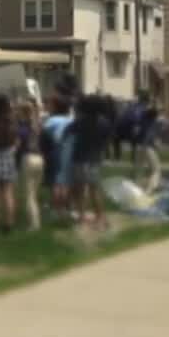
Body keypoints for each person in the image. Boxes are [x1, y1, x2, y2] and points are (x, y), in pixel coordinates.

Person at [71, 94, 111, 231]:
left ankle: (81, 217)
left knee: (81, 189)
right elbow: (106, 140)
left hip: (80, 158)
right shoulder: (103, 122)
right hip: (95, 158)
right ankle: (100, 217)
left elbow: (69, 133)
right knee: (95, 190)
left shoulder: (80, 121)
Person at [42, 85, 77, 223]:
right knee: (67, 181)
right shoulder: (71, 120)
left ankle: (56, 209)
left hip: (56, 151)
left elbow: (43, 138)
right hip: (70, 151)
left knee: (56, 182)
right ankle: (66, 207)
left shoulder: (51, 121)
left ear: (56, 107)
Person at [0, 92, 18, 234]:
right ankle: (9, 223)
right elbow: (15, 138)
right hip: (8, 153)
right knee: (8, 191)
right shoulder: (10, 119)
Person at [15, 96, 45, 231]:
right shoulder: (38, 125)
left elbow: (17, 145)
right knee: (34, 193)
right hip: (40, 159)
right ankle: (33, 219)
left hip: (27, 159)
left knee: (29, 195)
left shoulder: (22, 128)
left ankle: (34, 224)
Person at [134, 95, 163, 192]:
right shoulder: (151, 115)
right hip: (146, 146)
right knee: (156, 169)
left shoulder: (142, 114)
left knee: (139, 170)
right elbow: (155, 111)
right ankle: (149, 190)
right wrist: (155, 102)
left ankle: (137, 189)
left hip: (139, 145)